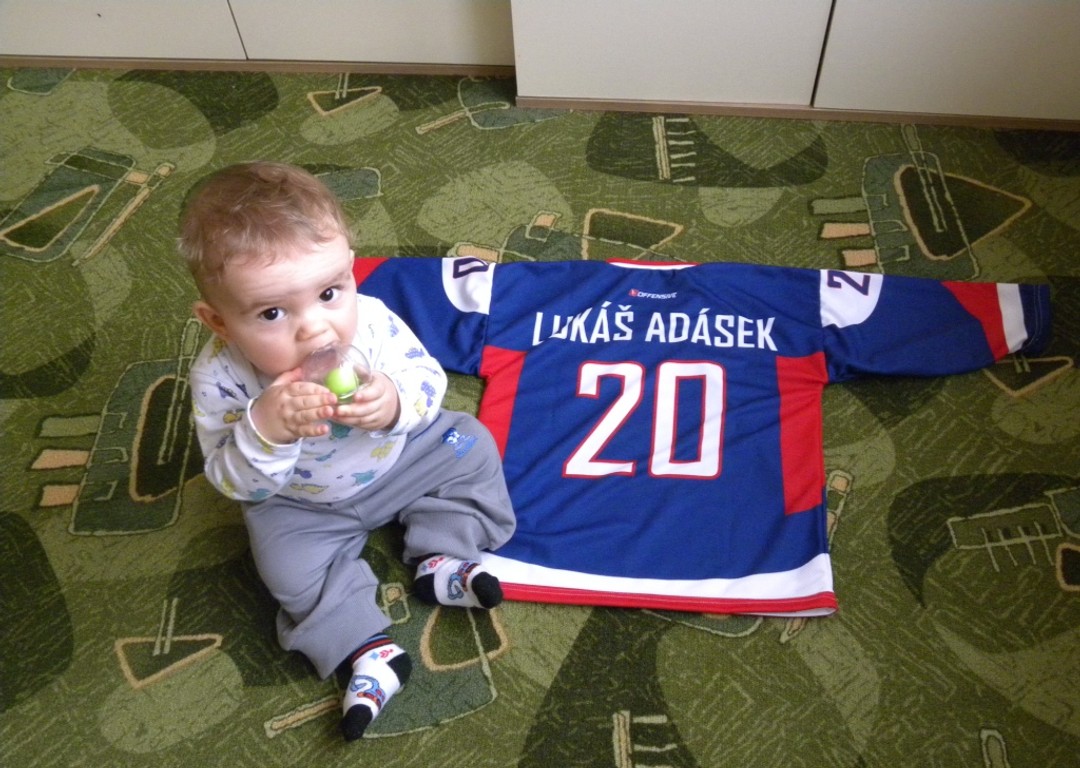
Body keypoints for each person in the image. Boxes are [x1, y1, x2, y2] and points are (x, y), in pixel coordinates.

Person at [177, 162, 516, 741]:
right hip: (301, 503)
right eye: (272, 313)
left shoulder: (373, 324)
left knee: (469, 442)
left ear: (351, 272)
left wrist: (394, 402)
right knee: (283, 564)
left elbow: (428, 380)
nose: (316, 330)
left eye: (330, 292)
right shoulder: (219, 379)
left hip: (401, 460)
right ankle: (365, 647)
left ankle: (443, 554)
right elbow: (232, 482)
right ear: (220, 322)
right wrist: (267, 431)